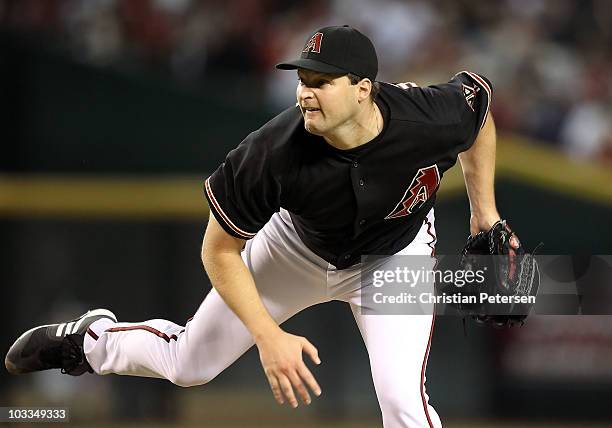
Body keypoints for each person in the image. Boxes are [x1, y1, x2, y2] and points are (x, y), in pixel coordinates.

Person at [6, 25, 500, 428]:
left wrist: (486, 215)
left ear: (363, 89)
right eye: (302, 80)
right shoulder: (271, 152)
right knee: (189, 367)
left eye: (322, 83)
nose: (306, 93)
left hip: (394, 255)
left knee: (403, 404)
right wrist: (268, 335)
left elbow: (478, 115)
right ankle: (92, 341)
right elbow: (218, 251)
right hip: (297, 250)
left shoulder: (427, 117)